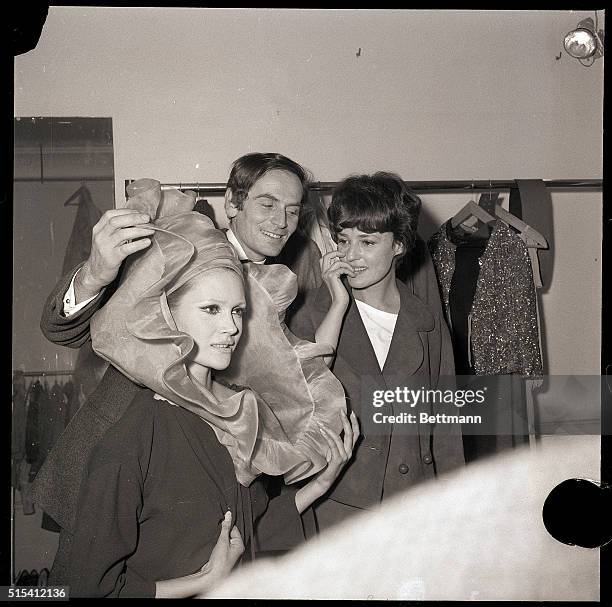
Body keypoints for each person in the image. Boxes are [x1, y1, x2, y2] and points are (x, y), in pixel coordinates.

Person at [62, 192, 358, 597]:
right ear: (165, 315)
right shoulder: (134, 435)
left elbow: (243, 529)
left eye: (237, 311)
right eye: (211, 310)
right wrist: (200, 582)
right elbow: (85, 589)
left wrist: (318, 487)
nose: (232, 327)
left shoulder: (239, 408)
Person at [289, 172, 465, 531]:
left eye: (367, 242)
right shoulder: (312, 314)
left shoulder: (426, 322)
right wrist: (337, 304)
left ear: (398, 244)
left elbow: (447, 427)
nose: (350, 256)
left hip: (413, 507)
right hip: (337, 510)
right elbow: (299, 401)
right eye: (343, 240)